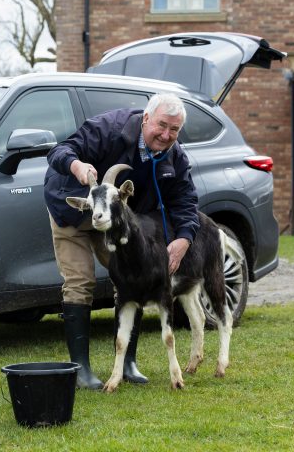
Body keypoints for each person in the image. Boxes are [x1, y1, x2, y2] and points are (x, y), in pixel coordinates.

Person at [43, 93, 199, 390]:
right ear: (146, 119)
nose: (166, 135)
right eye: (162, 125)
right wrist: (76, 166)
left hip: (120, 220)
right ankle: (81, 369)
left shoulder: (174, 155)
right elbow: (60, 151)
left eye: (174, 130)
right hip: (74, 211)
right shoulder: (108, 130)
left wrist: (184, 239)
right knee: (80, 281)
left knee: (134, 277)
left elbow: (185, 200)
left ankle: (128, 362)